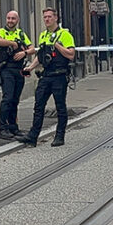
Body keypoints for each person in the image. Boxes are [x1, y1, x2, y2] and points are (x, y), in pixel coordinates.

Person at [18, 8, 76, 148]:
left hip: (60, 75)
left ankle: (59, 136)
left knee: (60, 107)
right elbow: (40, 56)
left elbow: (71, 54)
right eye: (45, 17)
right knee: (38, 106)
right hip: (46, 75)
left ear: (56, 18)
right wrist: (30, 67)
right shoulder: (43, 35)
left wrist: (57, 46)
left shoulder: (64, 34)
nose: (47, 19)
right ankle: (33, 136)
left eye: (49, 17)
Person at [0, 10, 33, 140]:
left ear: (18, 20)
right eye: (8, 18)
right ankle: (2, 127)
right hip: (6, 70)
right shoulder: (1, 32)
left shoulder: (20, 33)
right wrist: (12, 43)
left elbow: (32, 48)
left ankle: (13, 127)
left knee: (15, 100)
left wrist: (24, 53)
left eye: (13, 19)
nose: (10, 21)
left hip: (18, 70)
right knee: (8, 98)